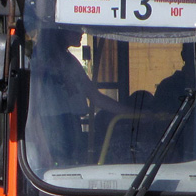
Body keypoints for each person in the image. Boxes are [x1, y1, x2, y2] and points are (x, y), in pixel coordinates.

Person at [27, 26, 126, 168]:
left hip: (72, 125)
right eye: (76, 28)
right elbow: (32, 109)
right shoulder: (38, 61)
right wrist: (43, 150)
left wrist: (133, 112)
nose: (82, 33)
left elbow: (96, 97)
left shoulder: (69, 61)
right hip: (50, 127)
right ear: (60, 31)